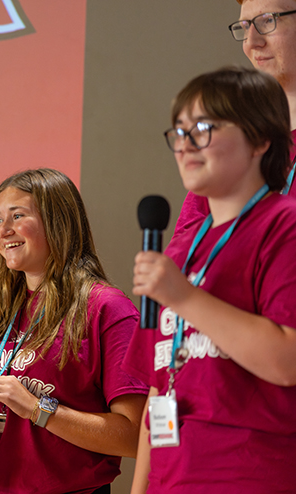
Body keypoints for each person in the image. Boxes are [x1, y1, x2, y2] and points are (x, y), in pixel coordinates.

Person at [126, 67, 296, 493]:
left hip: (251, 476)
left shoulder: (284, 226)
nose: (185, 144)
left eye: (203, 128)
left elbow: (287, 361)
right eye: (179, 131)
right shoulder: (181, 250)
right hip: (172, 477)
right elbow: (156, 387)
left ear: (260, 139)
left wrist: (184, 297)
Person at [0, 168, 148, 494]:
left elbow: (137, 436)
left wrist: (40, 410)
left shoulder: (106, 309)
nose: (3, 230)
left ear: (58, 222)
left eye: (17, 216)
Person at [174, 0, 296, 236]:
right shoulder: (233, 137)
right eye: (245, 25)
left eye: (268, 20)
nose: (251, 42)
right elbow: (187, 244)